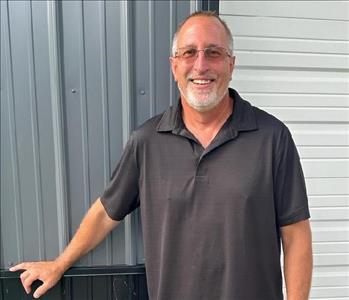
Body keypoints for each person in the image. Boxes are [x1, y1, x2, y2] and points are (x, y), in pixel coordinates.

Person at [10, 11, 312, 300]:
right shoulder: (147, 141)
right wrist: (60, 263)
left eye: (214, 52)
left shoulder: (272, 137)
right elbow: (106, 212)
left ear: (231, 65)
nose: (201, 65)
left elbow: (296, 234)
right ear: (174, 66)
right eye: (189, 53)